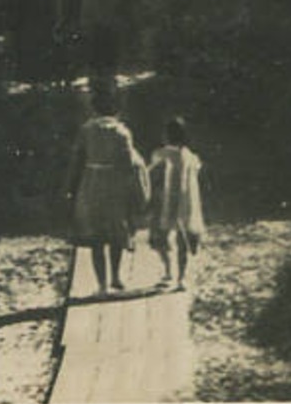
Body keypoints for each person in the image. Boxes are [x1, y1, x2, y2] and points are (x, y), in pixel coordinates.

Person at [65, 95, 150, 294]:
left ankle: (101, 284)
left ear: (94, 110)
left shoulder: (86, 130)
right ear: (117, 111)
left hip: (91, 184)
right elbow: (130, 164)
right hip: (114, 185)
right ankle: (116, 278)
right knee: (116, 232)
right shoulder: (122, 132)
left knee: (96, 236)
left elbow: (77, 158)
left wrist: (70, 186)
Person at [147, 117, 206, 291]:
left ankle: (169, 272)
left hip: (165, 201)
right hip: (184, 202)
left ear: (166, 136)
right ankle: (180, 277)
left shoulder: (161, 155)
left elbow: (150, 175)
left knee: (161, 239)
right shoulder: (191, 157)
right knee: (181, 242)